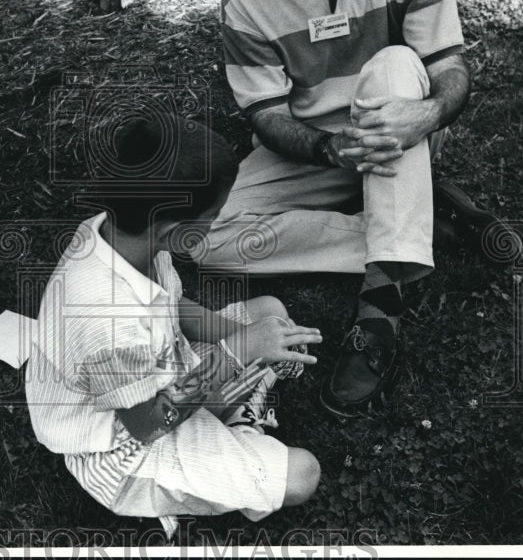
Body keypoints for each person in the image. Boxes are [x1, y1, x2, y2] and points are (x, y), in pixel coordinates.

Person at [199, 0, 497, 417]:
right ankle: (414, 226)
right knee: (203, 242)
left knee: (392, 65)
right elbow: (266, 115)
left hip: (396, 135)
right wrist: (332, 151)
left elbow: (449, 69)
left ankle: (378, 314)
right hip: (309, 149)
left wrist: (428, 114)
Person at [25, 116, 322, 533]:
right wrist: (239, 352)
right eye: (214, 216)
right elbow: (148, 423)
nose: (216, 223)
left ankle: (228, 418)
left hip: (164, 373)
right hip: (125, 450)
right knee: (302, 474)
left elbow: (173, 306)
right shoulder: (104, 320)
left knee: (268, 310)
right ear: (173, 231)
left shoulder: (125, 237)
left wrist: (246, 335)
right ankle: (234, 429)